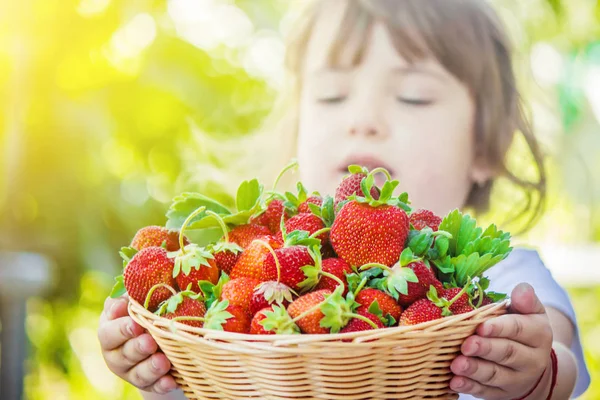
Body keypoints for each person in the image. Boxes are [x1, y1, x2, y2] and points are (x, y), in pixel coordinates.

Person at [98, 0, 591, 398]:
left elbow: (558, 351)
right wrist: (159, 366)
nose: (363, 119)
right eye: (333, 96)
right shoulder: (263, 269)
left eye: (414, 96)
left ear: (486, 146)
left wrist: (535, 374)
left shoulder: (505, 281)